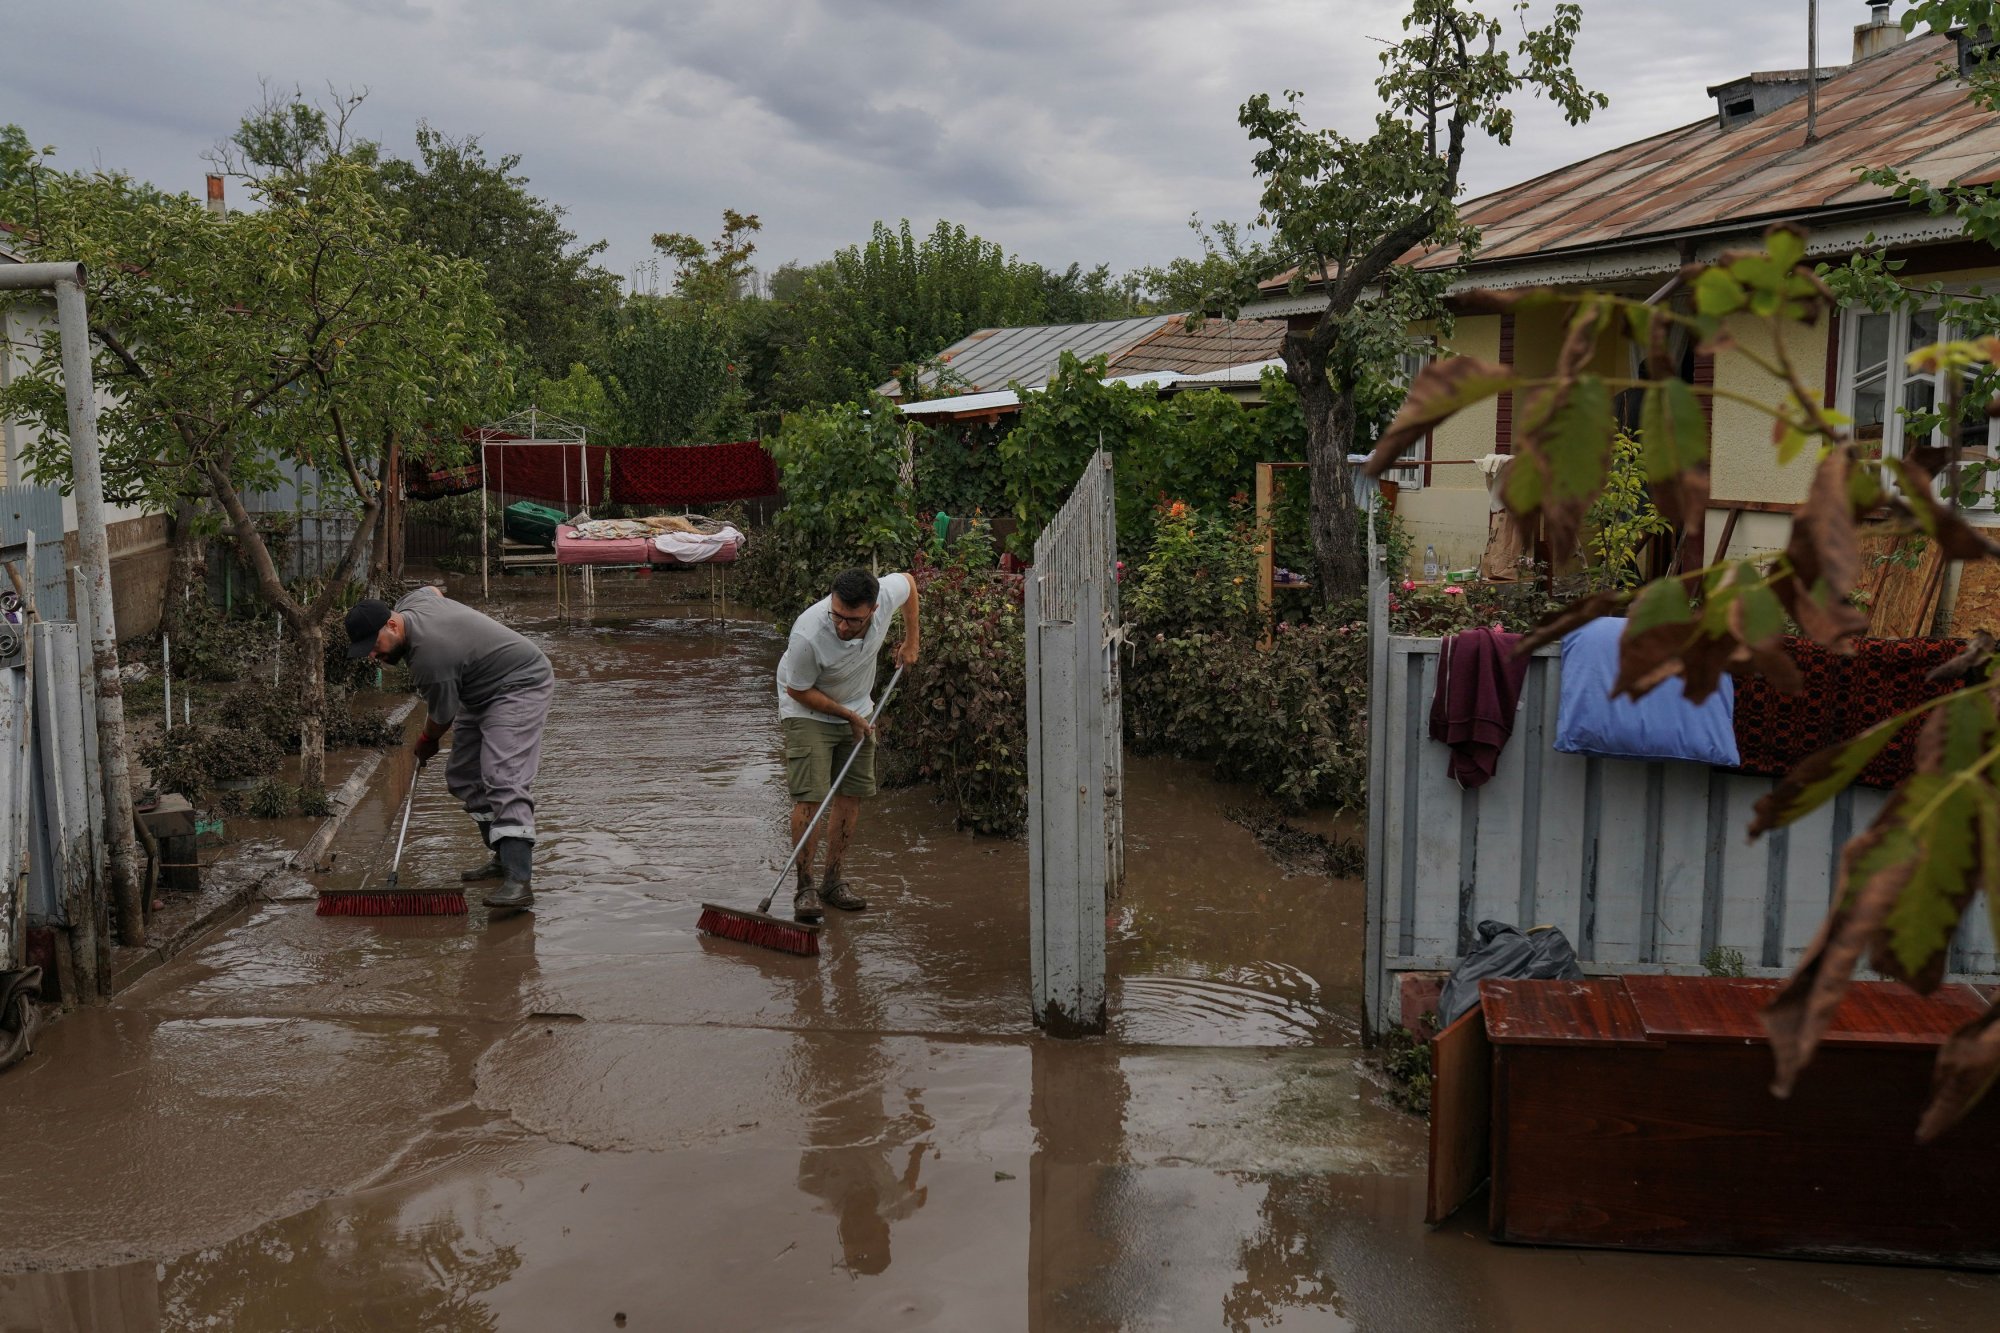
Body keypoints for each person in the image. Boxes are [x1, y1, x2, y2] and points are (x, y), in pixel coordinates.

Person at [343, 587, 554, 915]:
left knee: (503, 775)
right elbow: (432, 590)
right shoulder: (409, 604)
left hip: (520, 683)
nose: (373, 656)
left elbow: (441, 718)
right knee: (463, 775)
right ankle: (501, 856)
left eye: (373, 647)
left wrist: (426, 741)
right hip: (479, 687)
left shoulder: (430, 657)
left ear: (393, 627)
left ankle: (518, 880)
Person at [776, 568, 920, 923]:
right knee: (810, 797)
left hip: (858, 707)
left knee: (850, 794)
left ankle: (832, 882)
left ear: (872, 609)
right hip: (807, 709)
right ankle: (805, 887)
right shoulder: (808, 633)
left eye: (853, 620)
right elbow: (798, 690)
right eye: (837, 616)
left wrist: (911, 640)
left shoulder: (885, 595)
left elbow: (910, 583)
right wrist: (847, 716)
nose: (842, 626)